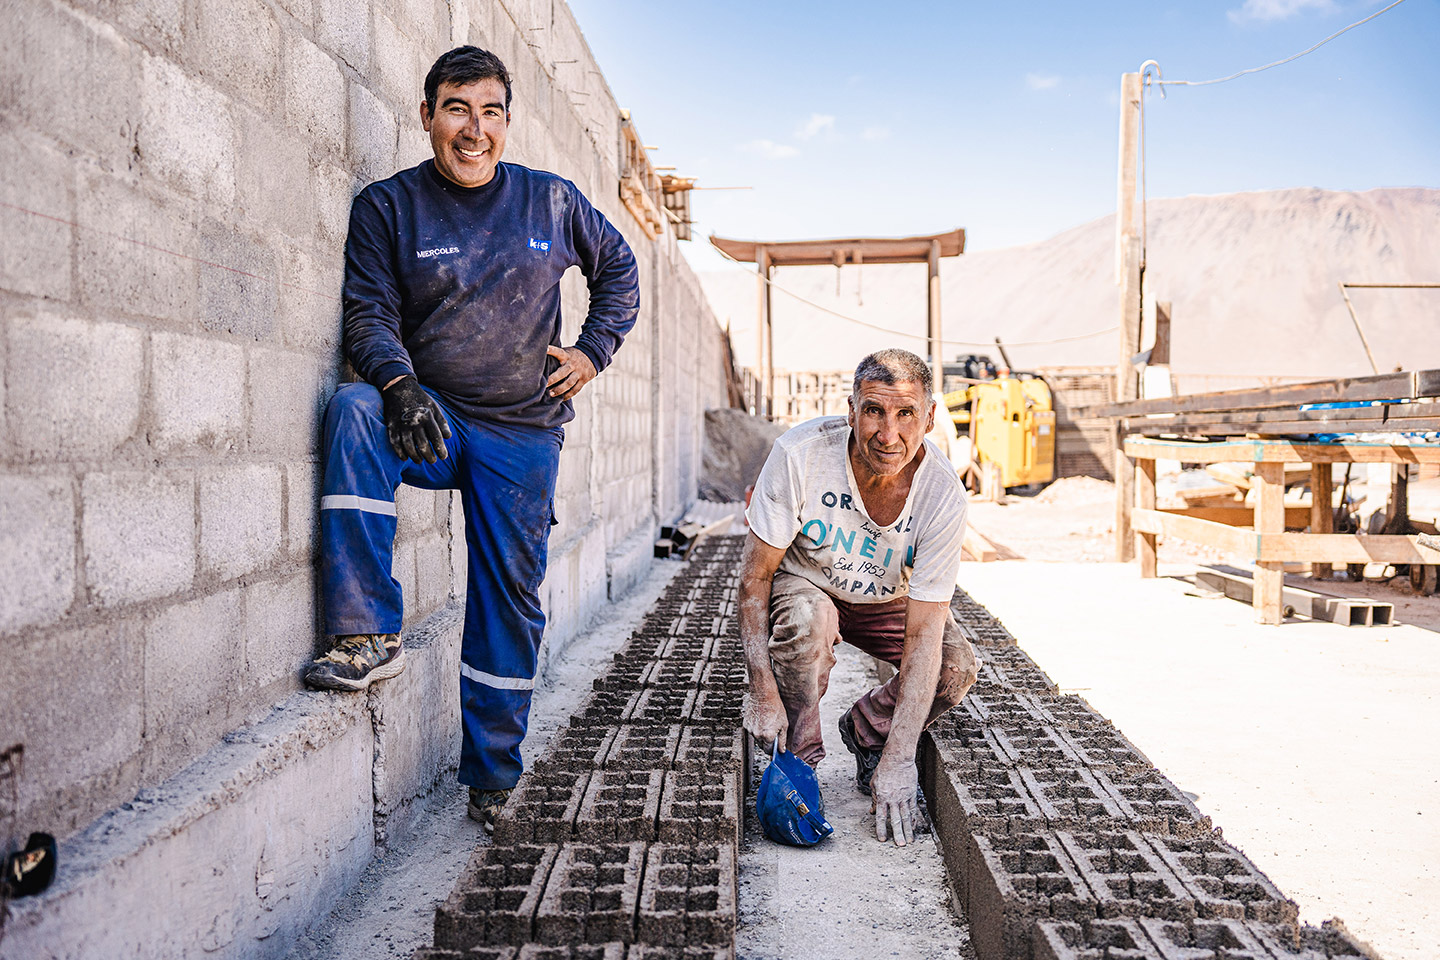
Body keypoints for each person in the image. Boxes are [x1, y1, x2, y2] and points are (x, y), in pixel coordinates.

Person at [302, 46, 639, 833]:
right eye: (457, 109)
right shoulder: (388, 208)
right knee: (352, 407)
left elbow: (620, 271)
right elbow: (368, 311)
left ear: (507, 122)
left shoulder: (550, 202)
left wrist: (592, 352)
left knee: (507, 601)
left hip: (523, 434)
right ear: (427, 116)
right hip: (435, 420)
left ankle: (492, 778)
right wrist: (397, 383)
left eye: (490, 111)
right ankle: (364, 633)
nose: (473, 129)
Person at [740, 348, 980, 846]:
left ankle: (867, 728)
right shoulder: (800, 456)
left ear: (930, 418)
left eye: (905, 414)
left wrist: (899, 757)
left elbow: (924, 631)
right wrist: (761, 689)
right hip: (808, 584)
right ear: (850, 410)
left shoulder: (942, 494)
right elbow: (754, 579)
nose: (888, 434)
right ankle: (800, 758)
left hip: (885, 599)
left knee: (955, 667)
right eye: (874, 410)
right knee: (807, 621)